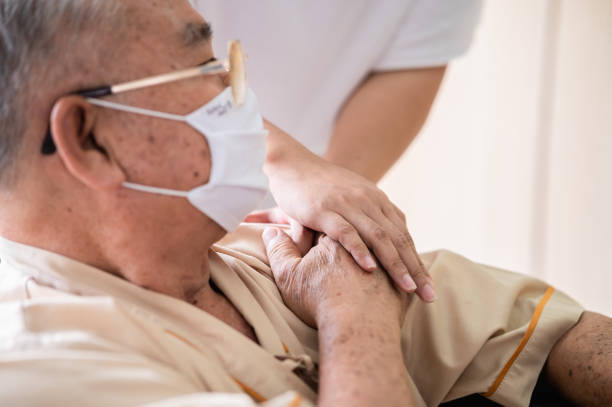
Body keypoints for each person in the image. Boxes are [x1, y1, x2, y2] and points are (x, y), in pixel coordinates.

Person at [0, 1, 610, 406]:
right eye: (207, 66)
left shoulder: (263, 256)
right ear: (87, 137)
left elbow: (543, 331)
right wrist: (356, 324)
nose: (244, 98)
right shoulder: (44, 366)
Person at [190, 0, 482, 182]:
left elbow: (411, 61)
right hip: (165, 163)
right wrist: (283, 158)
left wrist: (333, 188)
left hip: (301, 192)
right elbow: (156, 55)